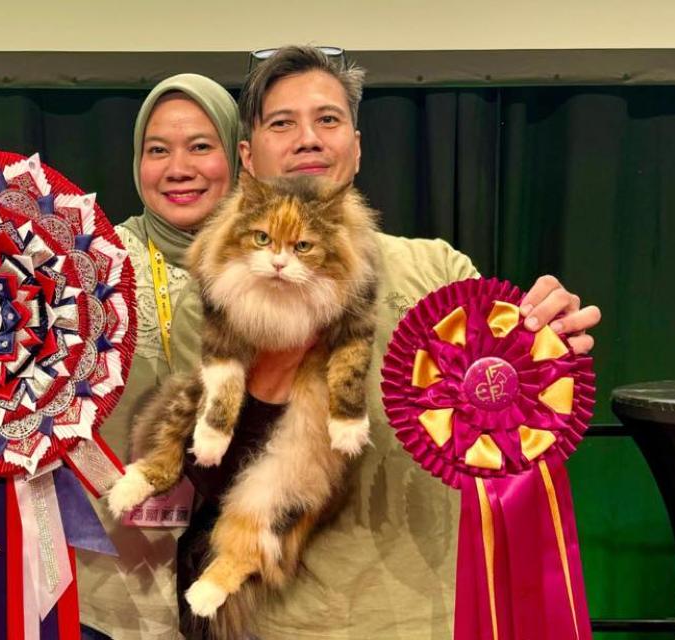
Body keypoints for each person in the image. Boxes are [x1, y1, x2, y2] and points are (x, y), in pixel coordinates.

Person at [168, 45, 601, 640]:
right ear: (248, 158)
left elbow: (513, 427)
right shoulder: (208, 292)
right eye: (282, 123)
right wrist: (280, 356)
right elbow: (206, 478)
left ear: (356, 146)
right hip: (295, 626)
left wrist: (548, 345)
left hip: (443, 616)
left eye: (327, 119)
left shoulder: (440, 269)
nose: (308, 138)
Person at [76, 73, 240, 640]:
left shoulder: (279, 264)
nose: (178, 168)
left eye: (200, 146)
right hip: (107, 582)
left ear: (238, 155)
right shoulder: (92, 265)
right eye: (157, 150)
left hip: (241, 585)